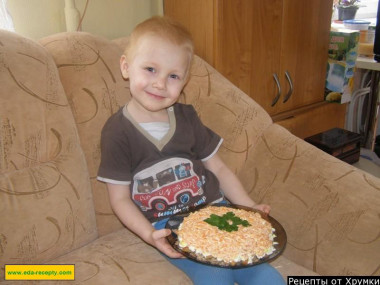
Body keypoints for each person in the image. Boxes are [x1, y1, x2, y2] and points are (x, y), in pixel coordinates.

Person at [97, 16, 285, 285]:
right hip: (168, 225)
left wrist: (249, 206)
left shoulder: (187, 117)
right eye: (150, 69)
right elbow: (119, 199)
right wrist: (149, 234)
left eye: (173, 76)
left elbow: (218, 167)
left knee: (265, 274)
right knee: (216, 277)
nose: (160, 83)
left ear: (184, 81)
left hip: (216, 210)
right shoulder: (116, 132)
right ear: (126, 67)